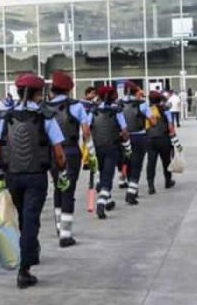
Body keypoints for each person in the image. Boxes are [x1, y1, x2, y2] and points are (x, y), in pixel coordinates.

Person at [0, 73, 67, 288]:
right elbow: (59, 151)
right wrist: (62, 171)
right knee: (31, 218)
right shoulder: (46, 116)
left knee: (24, 218)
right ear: (37, 92)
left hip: (12, 175)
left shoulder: (7, 115)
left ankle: (30, 250)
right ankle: (24, 269)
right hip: (36, 175)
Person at [45, 71, 93, 247]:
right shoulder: (76, 106)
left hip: (51, 152)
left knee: (57, 187)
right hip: (71, 150)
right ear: (68, 90)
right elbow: (86, 131)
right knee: (68, 190)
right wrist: (90, 151)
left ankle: (59, 225)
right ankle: (65, 234)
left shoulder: (45, 107)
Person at [88, 86, 128, 219]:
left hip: (97, 148)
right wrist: (127, 146)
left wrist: (88, 148)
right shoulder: (117, 111)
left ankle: (108, 199)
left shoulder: (92, 111)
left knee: (101, 174)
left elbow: (86, 130)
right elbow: (125, 131)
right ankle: (101, 203)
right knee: (108, 178)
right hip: (112, 147)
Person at [121, 82, 155, 206]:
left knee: (128, 164)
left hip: (124, 138)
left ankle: (132, 188)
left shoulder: (119, 104)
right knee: (137, 166)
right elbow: (153, 120)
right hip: (139, 137)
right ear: (137, 92)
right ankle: (131, 193)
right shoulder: (142, 104)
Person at [145, 91, 175, 193]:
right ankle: (168, 181)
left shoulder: (147, 110)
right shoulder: (165, 110)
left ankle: (151, 185)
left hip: (150, 139)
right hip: (163, 138)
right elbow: (171, 127)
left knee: (151, 163)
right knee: (166, 161)